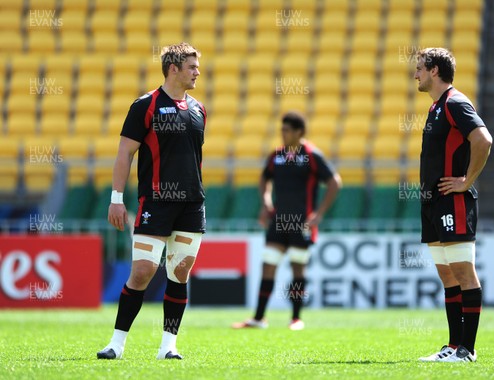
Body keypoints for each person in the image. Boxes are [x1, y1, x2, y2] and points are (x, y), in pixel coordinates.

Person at [97, 42, 206, 360]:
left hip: (191, 205)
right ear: (174, 68)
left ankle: (168, 347)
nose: (197, 71)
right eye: (192, 66)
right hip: (155, 202)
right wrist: (116, 199)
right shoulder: (145, 105)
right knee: (143, 271)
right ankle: (116, 344)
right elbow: (124, 153)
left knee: (179, 272)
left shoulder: (199, 109)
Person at [414, 48, 493, 362]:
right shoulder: (436, 107)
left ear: (434, 70)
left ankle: (468, 349)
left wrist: (466, 180)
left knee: (463, 272)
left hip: (453, 200)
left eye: (419, 68)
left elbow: (483, 139)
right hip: (433, 202)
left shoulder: (455, 102)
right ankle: (453, 346)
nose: (415, 74)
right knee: (448, 276)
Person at [232, 111, 341, 330]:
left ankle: (296, 318)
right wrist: (265, 203)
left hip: (302, 223)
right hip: (278, 221)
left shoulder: (311, 155)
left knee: (298, 268)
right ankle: (259, 318)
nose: (283, 133)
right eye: (281, 129)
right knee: (268, 266)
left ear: (299, 132)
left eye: (287, 130)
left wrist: (319, 214)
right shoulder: (277, 155)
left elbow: (334, 182)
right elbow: (264, 178)